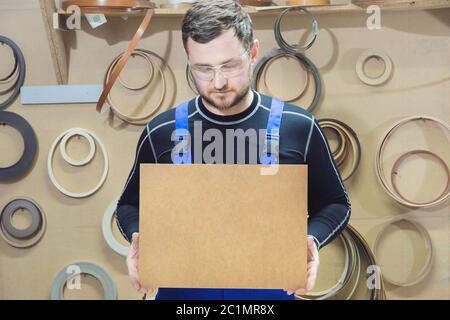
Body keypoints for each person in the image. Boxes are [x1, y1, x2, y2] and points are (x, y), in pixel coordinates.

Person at [116, 0, 351, 300]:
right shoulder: (161, 133)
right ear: (189, 60)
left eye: (229, 65)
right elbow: (128, 205)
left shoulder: (298, 127)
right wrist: (140, 237)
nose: (218, 82)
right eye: (203, 69)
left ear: (253, 52)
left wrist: (311, 240)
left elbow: (336, 203)